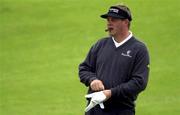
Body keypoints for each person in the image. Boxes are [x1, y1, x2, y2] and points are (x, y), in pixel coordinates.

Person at [78, 4, 150, 115]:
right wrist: (92, 80)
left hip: (121, 111)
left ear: (126, 22)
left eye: (114, 19)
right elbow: (84, 69)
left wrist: (110, 93)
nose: (109, 23)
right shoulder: (100, 44)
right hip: (95, 110)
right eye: (108, 19)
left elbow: (139, 82)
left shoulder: (139, 49)